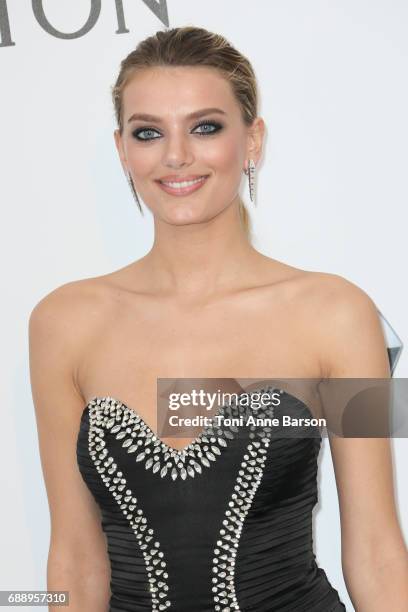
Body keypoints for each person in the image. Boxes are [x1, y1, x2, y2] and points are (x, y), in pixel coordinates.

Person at [29, 26, 408, 611]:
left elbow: (379, 550)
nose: (176, 154)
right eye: (148, 132)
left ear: (252, 140)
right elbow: (75, 558)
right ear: (122, 149)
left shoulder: (341, 313)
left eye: (205, 127)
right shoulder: (61, 322)